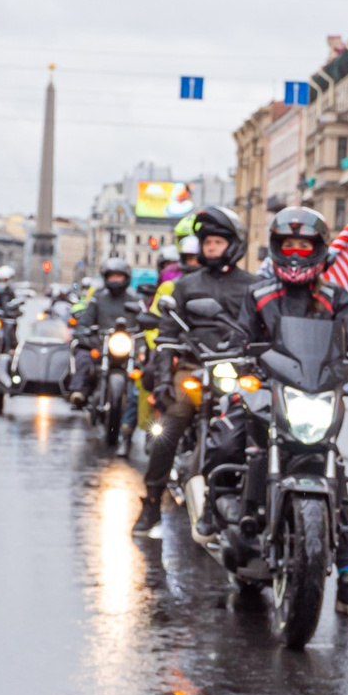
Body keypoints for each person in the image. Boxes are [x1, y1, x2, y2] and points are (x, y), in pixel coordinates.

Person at [246, 207, 348, 618]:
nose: (295, 253)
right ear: (277, 247)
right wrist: (239, 357)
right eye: (288, 244)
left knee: (334, 473)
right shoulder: (259, 294)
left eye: (303, 245)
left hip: (316, 393)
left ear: (318, 249)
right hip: (269, 392)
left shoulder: (335, 297)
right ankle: (238, 522)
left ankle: (347, 576)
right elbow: (242, 336)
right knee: (243, 443)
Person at [134, 205, 256, 535]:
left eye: (218, 242)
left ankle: (258, 505)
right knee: (169, 424)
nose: (211, 248)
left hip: (238, 373)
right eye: (207, 243)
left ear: (234, 245)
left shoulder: (253, 286)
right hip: (193, 370)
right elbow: (167, 337)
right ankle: (152, 503)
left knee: (262, 425)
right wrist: (163, 380)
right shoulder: (185, 286)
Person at [67, 256, 143, 403]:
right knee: (84, 357)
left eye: (119, 276)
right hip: (101, 344)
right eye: (112, 276)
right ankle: (78, 391)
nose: (115, 280)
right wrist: (83, 331)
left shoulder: (134, 300)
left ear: (126, 278)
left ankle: (136, 402)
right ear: (106, 278)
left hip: (128, 347)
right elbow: (85, 321)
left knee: (143, 365)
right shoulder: (98, 298)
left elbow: (142, 322)